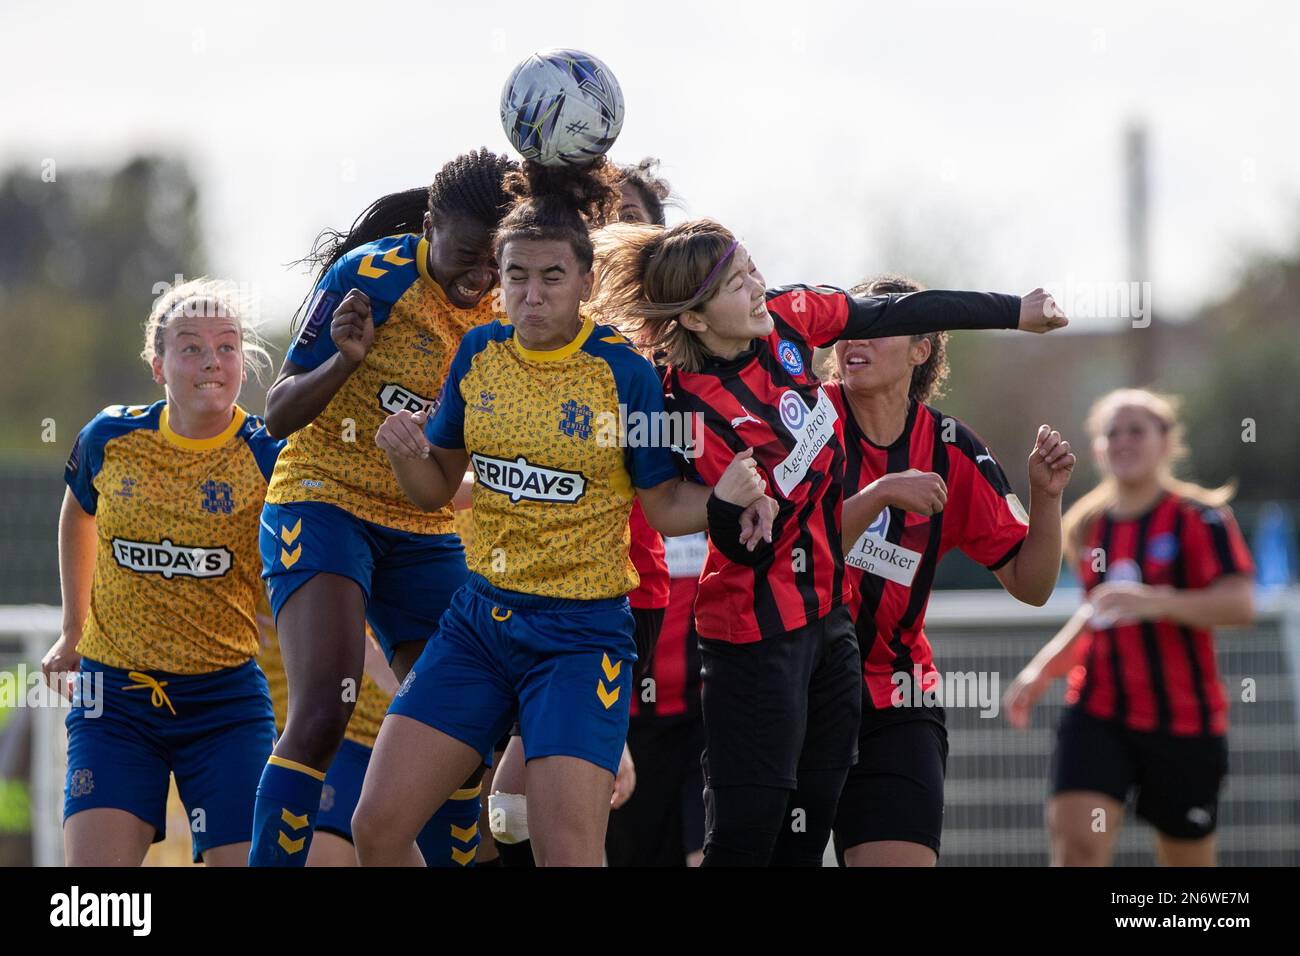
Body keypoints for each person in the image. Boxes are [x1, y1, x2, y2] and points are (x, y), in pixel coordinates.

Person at [593, 219, 1066, 865]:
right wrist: (743, 501)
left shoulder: (803, 329)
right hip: (758, 644)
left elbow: (1032, 586)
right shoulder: (687, 400)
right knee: (744, 844)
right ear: (698, 319)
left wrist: (1014, 314)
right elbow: (675, 509)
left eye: (750, 269)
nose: (757, 286)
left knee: (803, 845)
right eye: (736, 282)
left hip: (855, 658)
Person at [353, 158, 771, 867]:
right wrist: (404, 455)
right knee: (377, 827)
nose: (532, 293)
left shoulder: (623, 374)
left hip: (580, 639)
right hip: (479, 624)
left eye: (552, 277)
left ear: (583, 284)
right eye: (516, 275)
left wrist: (725, 500)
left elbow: (666, 506)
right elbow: (435, 491)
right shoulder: (478, 353)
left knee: (564, 851)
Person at [248, 150, 516, 866]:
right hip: (325, 501)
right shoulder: (369, 278)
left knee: (455, 732)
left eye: (496, 261)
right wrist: (344, 363)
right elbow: (276, 415)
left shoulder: (509, 305)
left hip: (424, 524)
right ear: (430, 227)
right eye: (466, 255)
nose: (481, 276)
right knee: (324, 710)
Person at [821, 274, 1075, 866]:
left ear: (921, 349)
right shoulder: (804, 421)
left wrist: (1047, 499)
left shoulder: (952, 449)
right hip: (790, 687)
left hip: (896, 700)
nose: (855, 339)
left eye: (878, 327)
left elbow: (1033, 586)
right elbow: (786, 547)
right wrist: (882, 493)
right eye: (849, 326)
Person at [43, 278, 280, 866]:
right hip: (115, 699)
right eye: (191, 347)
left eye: (227, 346)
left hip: (225, 700)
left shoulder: (268, 453)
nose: (211, 361)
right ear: (159, 366)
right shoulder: (111, 437)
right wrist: (73, 630)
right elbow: (79, 511)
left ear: (243, 363)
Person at [1004, 388, 1256, 866]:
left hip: (1184, 722)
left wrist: (1156, 601)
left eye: (1136, 430)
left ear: (1166, 442)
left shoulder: (1202, 518)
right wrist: (1041, 670)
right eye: (1111, 433)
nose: (1122, 441)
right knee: (1078, 847)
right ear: (1097, 448)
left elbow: (1240, 605)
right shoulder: (1086, 524)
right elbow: (1098, 613)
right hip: (1098, 713)